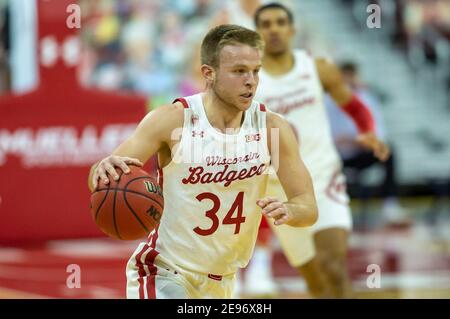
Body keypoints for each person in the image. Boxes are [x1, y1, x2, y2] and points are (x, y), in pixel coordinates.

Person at [88, 24, 318, 299]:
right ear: (208, 73)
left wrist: (291, 211)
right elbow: (100, 178)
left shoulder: (272, 128)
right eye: (239, 71)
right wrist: (100, 170)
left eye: (255, 71)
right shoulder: (172, 120)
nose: (251, 81)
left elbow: (308, 207)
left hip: (223, 283)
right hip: (165, 273)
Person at [252, 3, 390, 298]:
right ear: (258, 33)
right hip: (281, 190)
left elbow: (352, 104)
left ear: (292, 29)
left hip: (324, 177)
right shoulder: (249, 80)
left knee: (334, 266)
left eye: (280, 22)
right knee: (315, 281)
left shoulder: (317, 67)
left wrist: (367, 130)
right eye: (266, 24)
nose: (274, 28)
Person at [326, 62, 409, 226]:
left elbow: (379, 134)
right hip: (335, 155)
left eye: (351, 78)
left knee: (388, 152)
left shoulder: (366, 99)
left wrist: (359, 140)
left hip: (359, 152)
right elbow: (325, 135)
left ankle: (390, 206)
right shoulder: (327, 101)